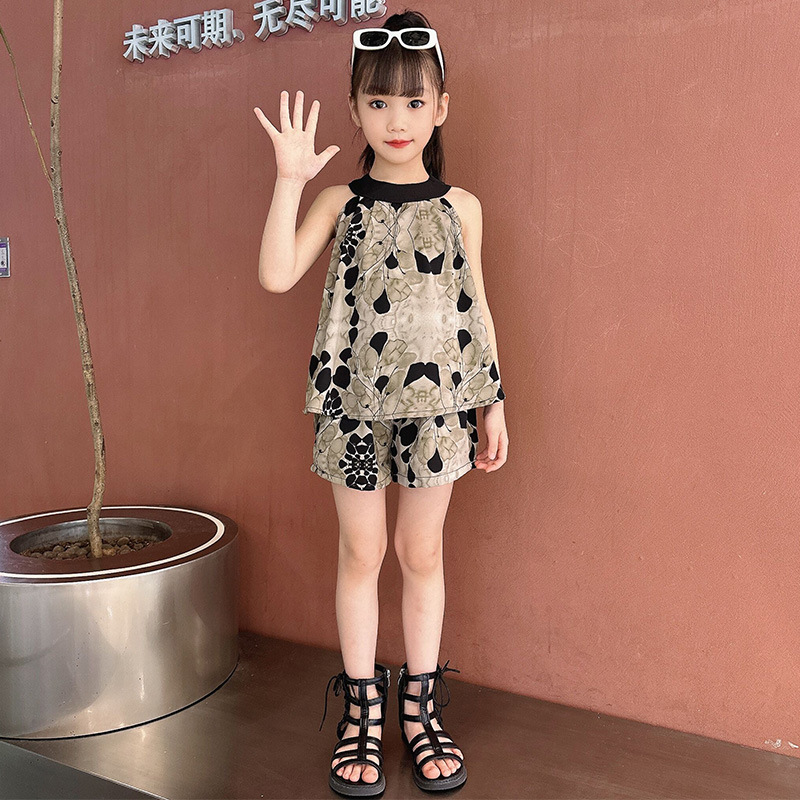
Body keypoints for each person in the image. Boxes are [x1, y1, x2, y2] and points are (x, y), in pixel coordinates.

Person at [254, 9, 509, 796]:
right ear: (355, 108)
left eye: (413, 101)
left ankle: (420, 710)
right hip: (353, 406)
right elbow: (276, 275)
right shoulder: (341, 201)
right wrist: (291, 180)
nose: (396, 119)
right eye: (377, 101)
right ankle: (363, 713)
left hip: (442, 408)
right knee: (361, 554)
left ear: (441, 108)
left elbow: (476, 307)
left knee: (421, 553)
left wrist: (493, 402)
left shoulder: (462, 207)